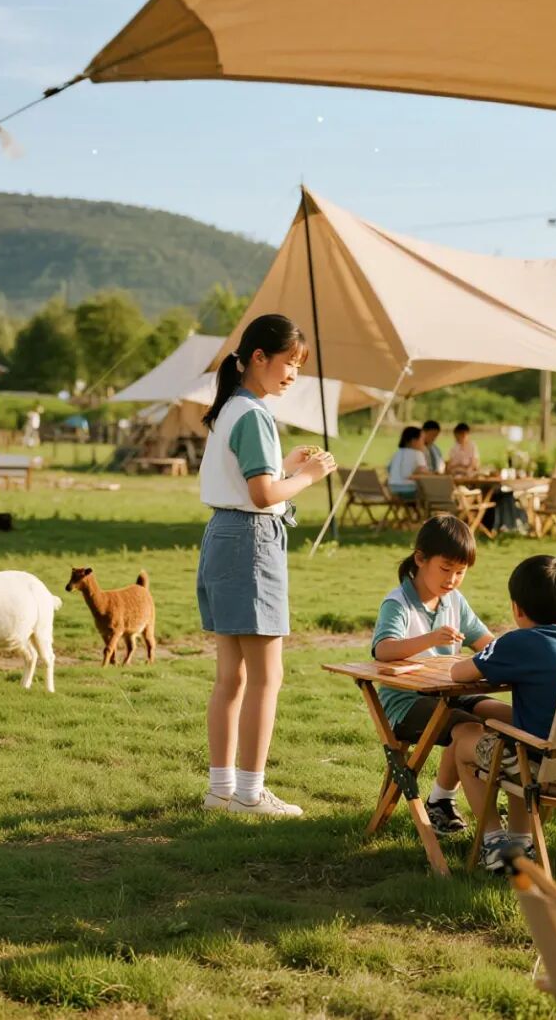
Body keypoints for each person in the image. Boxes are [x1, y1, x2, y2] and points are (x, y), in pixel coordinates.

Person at [198, 313, 337, 817]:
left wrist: (287, 467)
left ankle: (221, 790)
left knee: (230, 677)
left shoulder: (232, 408)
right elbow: (261, 496)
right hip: (250, 542)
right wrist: (308, 475)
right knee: (265, 678)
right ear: (258, 357)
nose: (293, 374)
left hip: (223, 537)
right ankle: (251, 795)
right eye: (289, 363)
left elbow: (248, 484)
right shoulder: (254, 415)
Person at [449, 555, 556, 871]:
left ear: (517, 608)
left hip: (548, 773)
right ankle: (523, 841)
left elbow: (458, 674)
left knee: (463, 737)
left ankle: (494, 845)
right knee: (517, 737)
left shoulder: (516, 642)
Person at [372, 517, 512, 834]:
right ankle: (452, 805)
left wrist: (518, 651)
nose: (452, 579)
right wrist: (431, 639)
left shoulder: (454, 601)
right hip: (406, 701)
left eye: (460, 572)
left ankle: (446, 800)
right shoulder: (398, 602)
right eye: (445, 569)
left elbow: (485, 641)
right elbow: (383, 649)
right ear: (421, 559)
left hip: (450, 691)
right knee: (468, 727)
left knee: (508, 717)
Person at [387, 426, 428, 497]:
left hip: (392, 490)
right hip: (409, 490)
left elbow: (389, 469)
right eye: (422, 440)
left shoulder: (397, 453)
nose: (424, 443)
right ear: (414, 441)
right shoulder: (418, 454)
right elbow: (424, 472)